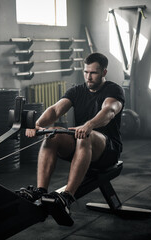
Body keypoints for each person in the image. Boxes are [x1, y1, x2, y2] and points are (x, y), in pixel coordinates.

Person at [17, 52, 125, 224]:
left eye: (94, 73)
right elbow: (55, 110)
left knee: (85, 136)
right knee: (53, 134)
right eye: (86, 72)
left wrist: (89, 125)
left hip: (108, 150)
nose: (88, 77)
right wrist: (37, 125)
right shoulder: (76, 91)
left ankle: (67, 197)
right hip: (83, 145)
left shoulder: (114, 90)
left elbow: (109, 111)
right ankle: (40, 190)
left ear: (104, 72)